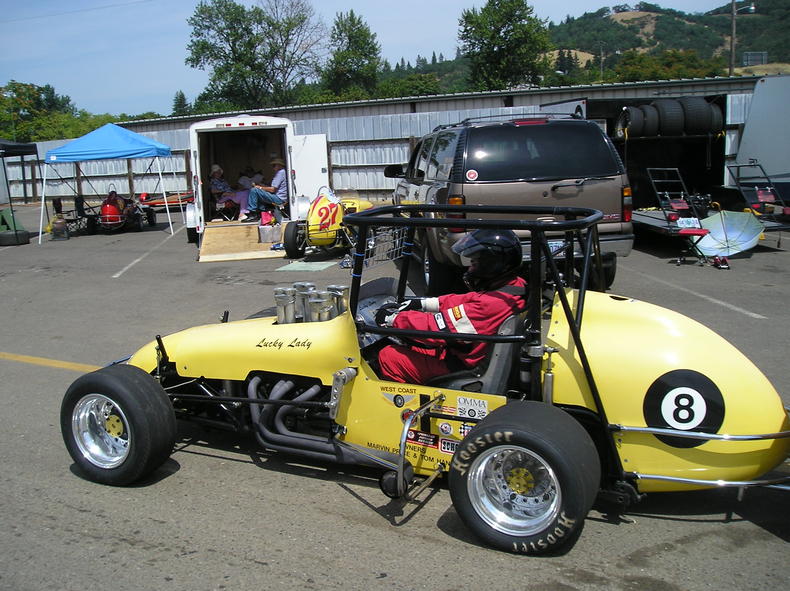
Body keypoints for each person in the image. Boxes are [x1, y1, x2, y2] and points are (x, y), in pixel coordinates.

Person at [376, 229, 527, 384]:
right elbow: (467, 300)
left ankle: (404, 405)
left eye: (474, 263)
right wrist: (424, 303)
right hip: (470, 356)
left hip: (462, 369)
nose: (470, 269)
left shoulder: (490, 305)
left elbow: (433, 327)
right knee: (411, 345)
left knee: (388, 356)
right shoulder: (513, 288)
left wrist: (392, 319)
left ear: (491, 265)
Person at [242, 158, 287, 223]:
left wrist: (259, 187)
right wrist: (261, 186)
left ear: (279, 165)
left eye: (274, 165)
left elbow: (272, 190)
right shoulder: (283, 172)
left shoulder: (280, 173)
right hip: (280, 197)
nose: (273, 167)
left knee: (254, 190)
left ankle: (253, 214)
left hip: (279, 199)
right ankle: (260, 213)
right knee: (257, 193)